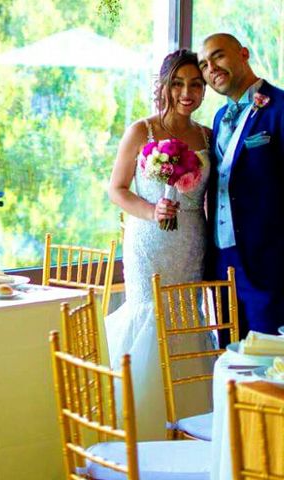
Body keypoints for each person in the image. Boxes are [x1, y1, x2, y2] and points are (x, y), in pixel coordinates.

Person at [105, 49, 214, 440]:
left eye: (196, 85)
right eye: (179, 84)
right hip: (148, 241)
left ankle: (188, 430)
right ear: (164, 86)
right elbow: (116, 190)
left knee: (186, 318)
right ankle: (144, 428)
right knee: (150, 317)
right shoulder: (142, 131)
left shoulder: (206, 135)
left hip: (190, 239)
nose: (187, 92)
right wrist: (152, 210)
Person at [199, 33, 284, 338]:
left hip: (270, 263)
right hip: (223, 262)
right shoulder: (220, 117)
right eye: (204, 65)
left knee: (271, 365)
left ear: (244, 53)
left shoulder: (281, 108)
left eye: (218, 56)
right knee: (229, 360)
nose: (211, 68)